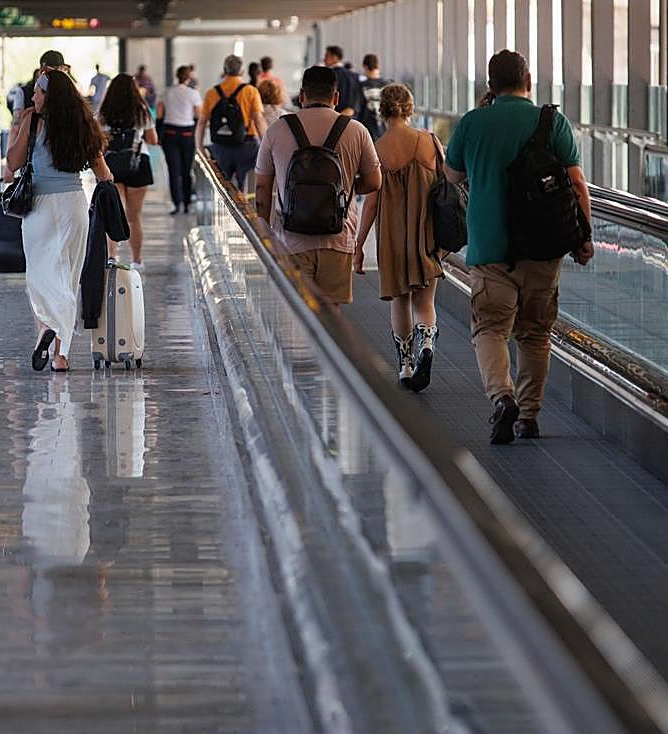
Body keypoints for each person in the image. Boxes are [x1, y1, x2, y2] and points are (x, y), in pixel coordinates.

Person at [444, 49, 594, 444]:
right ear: (528, 81)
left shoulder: (473, 123)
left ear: (490, 86)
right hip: (545, 247)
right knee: (535, 334)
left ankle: (501, 397)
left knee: (491, 328)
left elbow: (452, 173)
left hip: (490, 249)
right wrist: (585, 236)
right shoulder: (552, 121)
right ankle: (528, 416)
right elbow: (577, 183)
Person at [6, 70, 113, 373]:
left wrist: (20, 126)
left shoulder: (34, 121)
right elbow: (103, 173)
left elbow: (12, 162)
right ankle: (60, 355)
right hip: (74, 206)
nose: (34, 97)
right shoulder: (83, 124)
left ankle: (46, 327)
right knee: (68, 276)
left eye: (38, 92)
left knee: (39, 275)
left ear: (48, 95)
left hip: (39, 206)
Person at [254, 66, 381, 307]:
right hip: (339, 235)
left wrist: (263, 229)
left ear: (302, 96)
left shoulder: (277, 129)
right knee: (330, 318)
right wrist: (346, 190)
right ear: (336, 97)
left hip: (291, 238)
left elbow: (262, 187)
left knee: (297, 314)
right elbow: (375, 181)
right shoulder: (356, 130)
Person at [353, 84, 444, 389]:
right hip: (426, 233)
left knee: (400, 300)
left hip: (392, 237)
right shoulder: (430, 142)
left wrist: (359, 245)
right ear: (409, 108)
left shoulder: (376, 149)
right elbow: (448, 186)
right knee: (425, 301)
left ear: (383, 111)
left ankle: (405, 365)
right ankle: (427, 345)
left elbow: (372, 203)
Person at [98, 73, 158, 269]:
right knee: (134, 217)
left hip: (112, 166)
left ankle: (112, 256)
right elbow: (153, 140)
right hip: (138, 164)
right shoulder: (141, 111)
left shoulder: (105, 111)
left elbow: (99, 140)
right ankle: (137, 260)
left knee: (113, 213)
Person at [196, 54, 269, 192]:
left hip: (220, 146)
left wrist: (200, 148)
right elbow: (258, 120)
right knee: (246, 186)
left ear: (224, 70)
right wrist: (267, 144)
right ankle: (245, 210)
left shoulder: (212, 93)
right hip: (247, 146)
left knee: (225, 189)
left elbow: (201, 123)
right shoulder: (250, 91)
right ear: (242, 71)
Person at [160, 64, 203, 215]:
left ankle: (176, 203)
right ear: (189, 77)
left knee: (173, 170)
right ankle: (187, 203)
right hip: (187, 134)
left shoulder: (167, 92)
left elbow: (159, 114)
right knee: (186, 170)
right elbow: (199, 115)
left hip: (170, 133)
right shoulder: (193, 94)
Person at [12, 50, 71, 120]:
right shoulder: (23, 92)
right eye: (50, 72)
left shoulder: (68, 93)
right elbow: (17, 120)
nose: (33, 98)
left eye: (60, 72)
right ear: (41, 71)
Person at [323, 45, 364, 118]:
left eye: (326, 56)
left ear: (334, 57)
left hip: (332, 117)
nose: (324, 59)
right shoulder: (354, 76)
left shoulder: (328, 75)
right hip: (352, 118)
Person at [357, 54, 391, 140]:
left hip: (367, 133)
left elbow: (356, 110)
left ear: (364, 67)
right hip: (386, 133)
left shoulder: (361, 86)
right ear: (378, 66)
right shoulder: (389, 85)